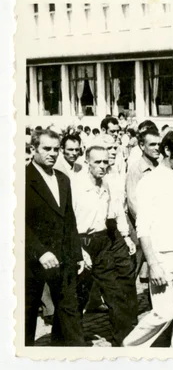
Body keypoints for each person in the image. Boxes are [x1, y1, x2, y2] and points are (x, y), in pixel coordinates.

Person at [123, 130, 173, 348]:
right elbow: (142, 227)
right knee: (164, 312)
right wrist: (153, 264)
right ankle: (130, 347)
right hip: (163, 257)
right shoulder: (150, 181)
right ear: (167, 150)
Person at [71, 146, 137, 346]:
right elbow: (69, 221)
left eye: (105, 162)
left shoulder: (106, 184)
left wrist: (125, 236)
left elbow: (115, 210)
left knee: (114, 291)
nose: (102, 166)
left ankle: (123, 340)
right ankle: (71, 342)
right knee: (77, 296)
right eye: (97, 162)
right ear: (87, 161)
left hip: (102, 242)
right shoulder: (76, 186)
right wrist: (79, 251)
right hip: (81, 242)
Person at [25, 129, 86, 346]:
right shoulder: (22, 177)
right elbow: (17, 223)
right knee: (27, 314)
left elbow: (69, 219)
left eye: (55, 149)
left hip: (62, 257)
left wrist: (77, 254)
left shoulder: (62, 179)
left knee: (69, 309)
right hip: (31, 260)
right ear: (33, 149)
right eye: (46, 149)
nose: (52, 153)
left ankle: (71, 354)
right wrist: (40, 252)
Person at [125, 128, 161, 277]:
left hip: (157, 225)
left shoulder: (160, 167)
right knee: (134, 266)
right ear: (141, 145)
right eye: (152, 144)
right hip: (140, 227)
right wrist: (149, 225)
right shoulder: (136, 170)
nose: (157, 148)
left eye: (159, 144)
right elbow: (133, 203)